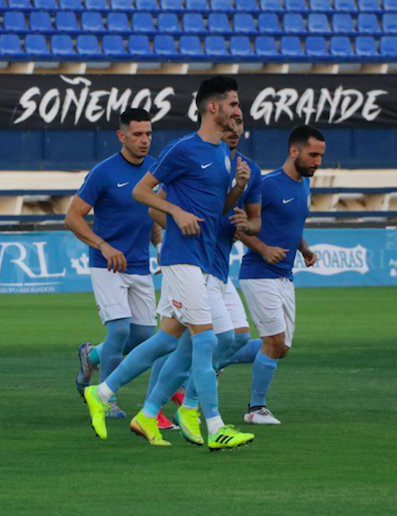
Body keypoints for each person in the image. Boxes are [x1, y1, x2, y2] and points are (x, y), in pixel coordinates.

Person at [82, 76, 255, 451]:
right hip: (181, 259)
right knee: (206, 341)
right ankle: (215, 426)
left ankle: (110, 395)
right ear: (214, 107)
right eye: (233, 104)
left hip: (206, 261)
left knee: (167, 340)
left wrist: (237, 189)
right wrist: (176, 211)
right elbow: (141, 192)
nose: (238, 111)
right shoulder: (183, 149)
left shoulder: (223, 156)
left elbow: (214, 211)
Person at [146, 116, 263, 439]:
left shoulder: (247, 169)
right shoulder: (193, 156)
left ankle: (164, 407)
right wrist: (183, 223)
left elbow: (253, 221)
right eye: (232, 122)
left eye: (240, 125)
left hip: (218, 268)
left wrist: (243, 222)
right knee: (182, 340)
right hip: (189, 262)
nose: (235, 130)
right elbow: (154, 208)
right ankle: (185, 413)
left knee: (231, 337)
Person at [67, 108, 161, 419]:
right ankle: (106, 400)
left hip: (139, 266)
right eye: (137, 134)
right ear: (122, 136)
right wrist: (103, 246)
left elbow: (152, 216)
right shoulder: (103, 172)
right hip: (106, 265)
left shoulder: (154, 169)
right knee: (119, 330)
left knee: (147, 336)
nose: (144, 140)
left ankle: (91, 355)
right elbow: (72, 216)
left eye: (148, 133)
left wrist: (160, 245)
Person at [234, 125, 323, 425]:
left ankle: (215, 359)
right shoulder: (268, 184)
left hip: (285, 275)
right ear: (294, 151)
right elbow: (237, 223)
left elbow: (292, 224)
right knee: (273, 341)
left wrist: (304, 248)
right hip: (258, 273)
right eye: (313, 154)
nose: (318, 161)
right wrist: (262, 248)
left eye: (321, 156)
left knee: (281, 347)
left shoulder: (304, 185)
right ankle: (255, 408)